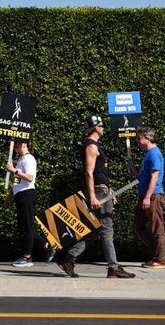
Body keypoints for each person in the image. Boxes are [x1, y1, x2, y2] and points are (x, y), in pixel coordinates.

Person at [55, 115, 135, 278]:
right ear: (96, 128)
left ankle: (69, 258)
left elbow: (99, 173)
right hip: (97, 192)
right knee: (106, 230)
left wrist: (109, 190)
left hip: (102, 190)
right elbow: (89, 172)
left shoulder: (95, 145)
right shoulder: (91, 146)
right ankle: (113, 267)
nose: (104, 127)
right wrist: (93, 196)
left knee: (95, 229)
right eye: (102, 125)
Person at [4, 141, 55, 267]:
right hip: (20, 195)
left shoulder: (28, 159)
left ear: (24, 144)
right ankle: (46, 245)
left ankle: (27, 256)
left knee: (27, 226)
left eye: (17, 144)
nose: (15, 146)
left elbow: (30, 178)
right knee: (24, 227)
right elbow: (17, 182)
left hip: (27, 194)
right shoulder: (21, 159)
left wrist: (14, 170)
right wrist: (9, 198)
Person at [129, 126, 165, 269]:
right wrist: (136, 171)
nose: (137, 141)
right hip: (146, 195)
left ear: (148, 139)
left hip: (153, 196)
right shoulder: (148, 154)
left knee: (157, 228)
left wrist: (148, 197)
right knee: (138, 225)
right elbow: (145, 176)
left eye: (139, 138)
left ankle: (160, 259)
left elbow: (155, 176)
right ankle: (154, 253)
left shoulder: (154, 153)